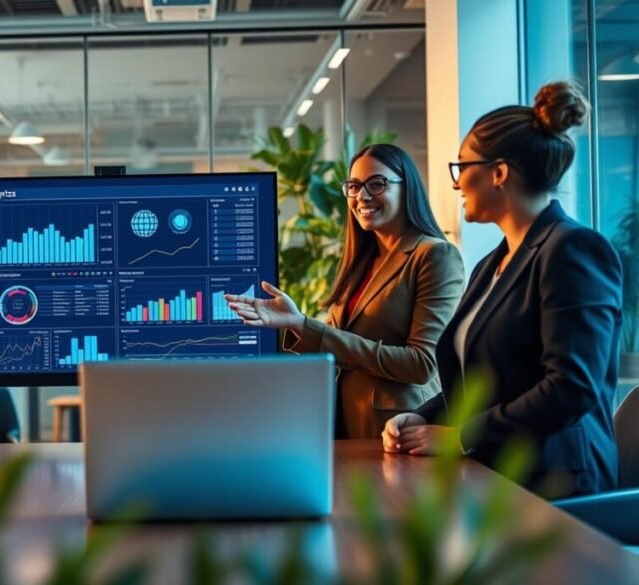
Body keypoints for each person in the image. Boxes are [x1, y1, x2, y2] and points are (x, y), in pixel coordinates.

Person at [382, 82, 622, 498]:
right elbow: (484, 381)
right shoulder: (493, 262)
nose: (456, 184)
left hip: (556, 484)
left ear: (498, 173)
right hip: (495, 476)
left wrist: (461, 436)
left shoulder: (572, 250)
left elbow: (570, 387)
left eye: (461, 167)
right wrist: (421, 417)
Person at [227, 143, 465, 438]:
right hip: (343, 424)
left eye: (376, 184)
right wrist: (293, 324)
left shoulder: (434, 255)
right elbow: (343, 340)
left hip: (395, 429)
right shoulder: (362, 259)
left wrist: (304, 325)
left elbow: (422, 364)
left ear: (407, 188)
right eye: (353, 186)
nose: (362, 196)